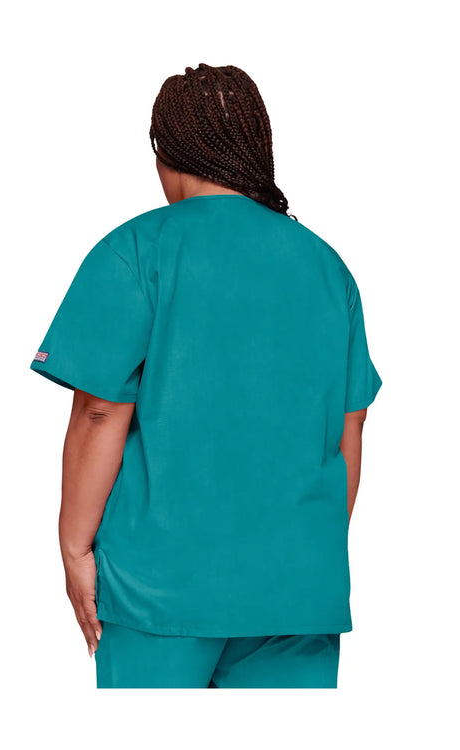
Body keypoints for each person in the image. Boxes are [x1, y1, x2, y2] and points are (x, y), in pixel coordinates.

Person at [29, 63, 382, 688]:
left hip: (158, 590)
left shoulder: (136, 250)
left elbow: (100, 412)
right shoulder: (327, 266)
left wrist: (74, 547)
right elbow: (349, 430)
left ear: (166, 153)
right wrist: (304, 556)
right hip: (296, 590)